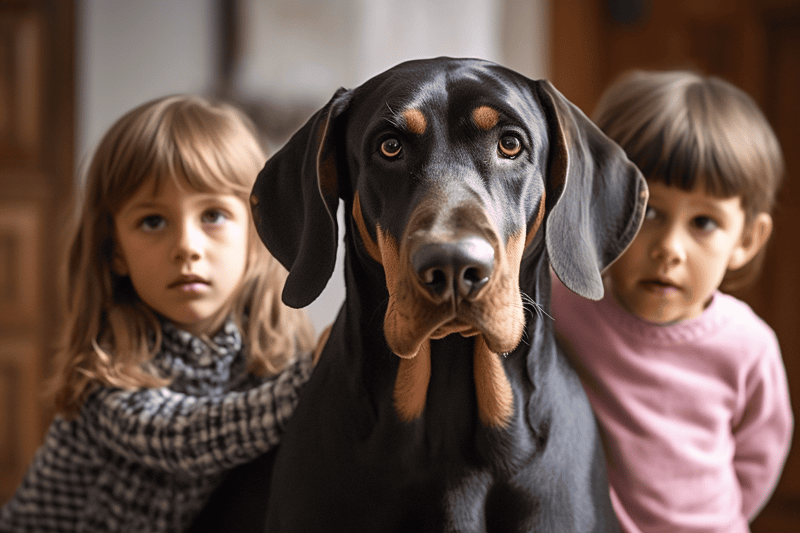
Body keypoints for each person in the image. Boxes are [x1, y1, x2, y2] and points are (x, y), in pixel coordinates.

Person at [0, 95, 316, 532]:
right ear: (115, 252)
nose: (187, 246)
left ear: (255, 235)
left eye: (213, 215)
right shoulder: (111, 371)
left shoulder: (276, 351)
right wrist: (311, 381)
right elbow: (183, 438)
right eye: (153, 221)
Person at [551, 70, 793, 532]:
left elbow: (759, 457)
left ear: (747, 239)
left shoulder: (748, 345)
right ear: (601, 204)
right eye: (649, 211)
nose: (669, 248)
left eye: (703, 222)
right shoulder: (565, 306)